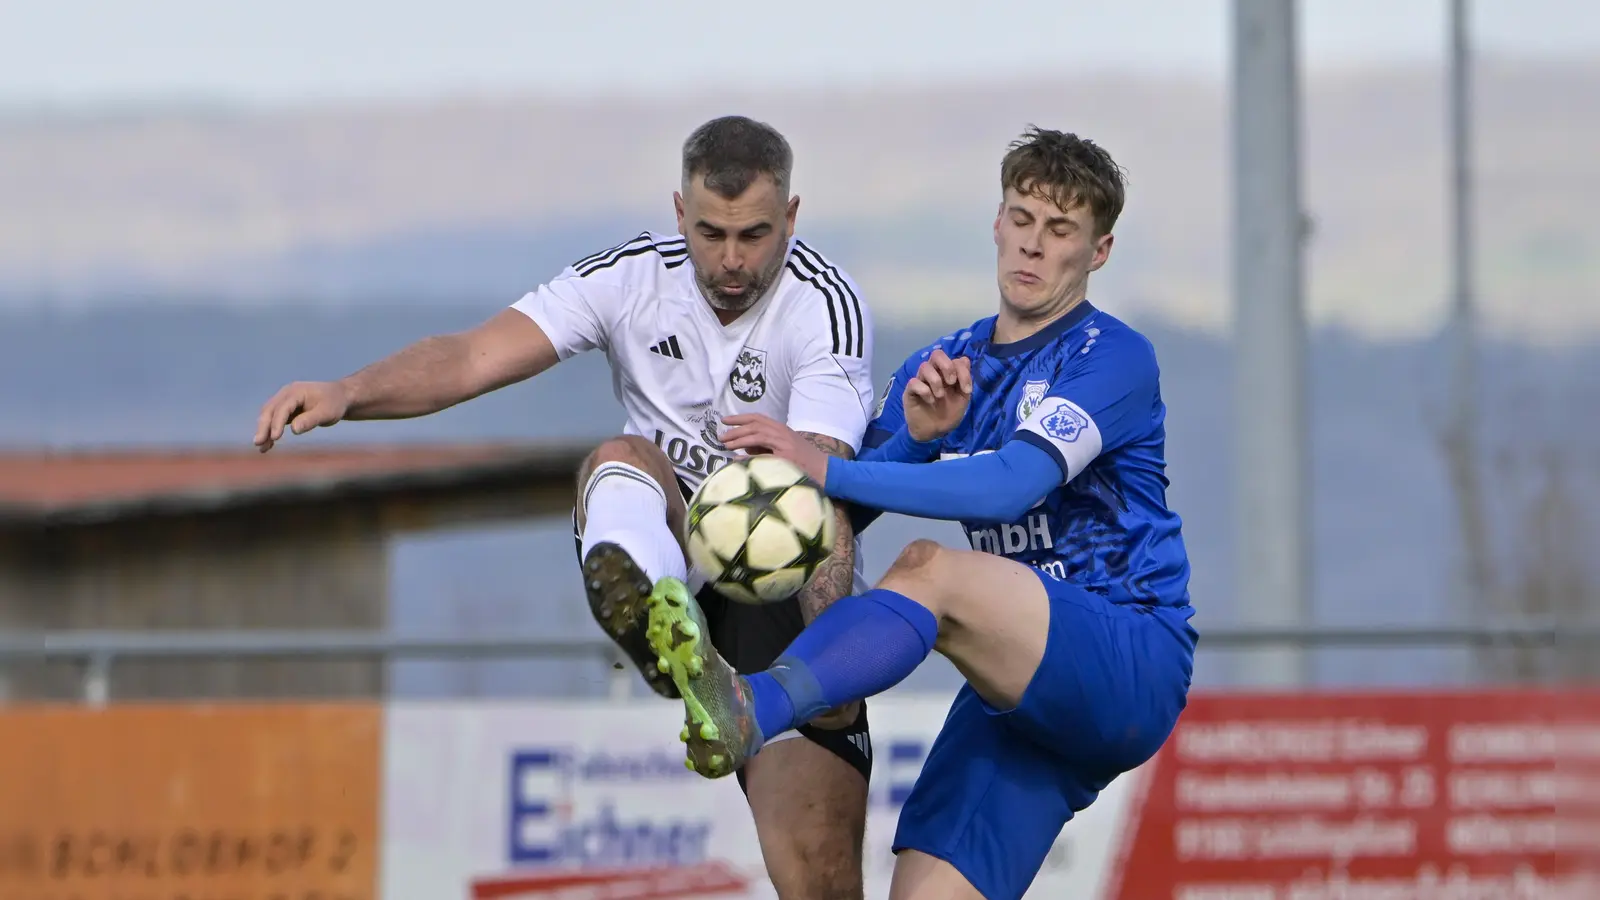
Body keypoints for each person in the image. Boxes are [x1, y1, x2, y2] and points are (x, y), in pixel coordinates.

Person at [253, 115, 878, 899]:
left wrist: (834, 668)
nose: (729, 260)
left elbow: (815, 489)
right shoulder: (628, 278)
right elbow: (474, 355)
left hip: (774, 571)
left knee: (819, 876)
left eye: (753, 235)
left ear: (790, 217)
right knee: (617, 462)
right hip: (677, 535)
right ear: (678, 214)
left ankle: (802, 689)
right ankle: (659, 620)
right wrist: (349, 393)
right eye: (710, 233)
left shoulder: (823, 304)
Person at [642, 126, 1197, 900]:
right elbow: (835, 514)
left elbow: (1009, 487)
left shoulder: (1111, 355)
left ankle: (754, 706)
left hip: (1126, 656)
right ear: (997, 225)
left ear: (1096, 252)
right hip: (1016, 693)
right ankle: (751, 697)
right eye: (1023, 220)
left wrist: (824, 461)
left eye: (1061, 231)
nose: (1034, 247)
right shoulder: (950, 363)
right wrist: (914, 440)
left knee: (928, 571)